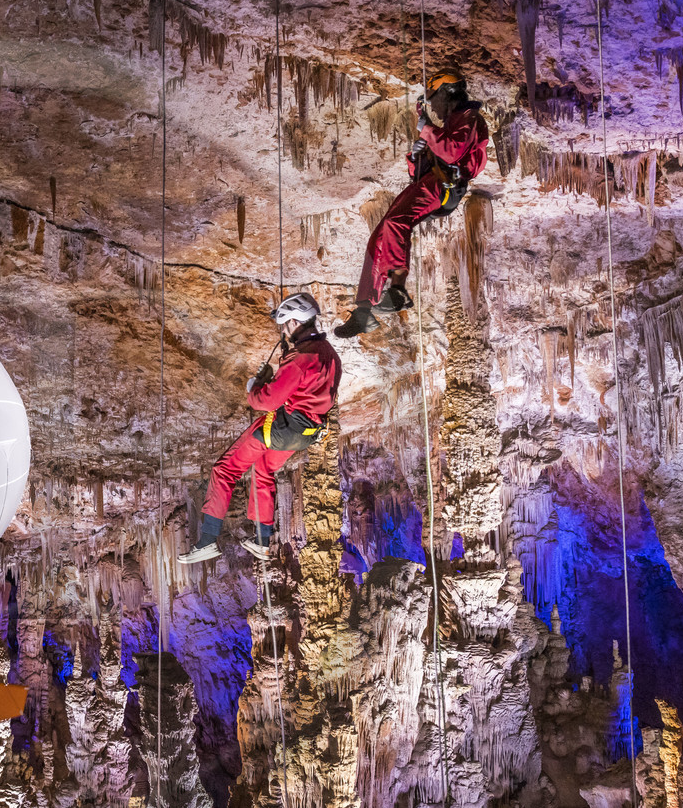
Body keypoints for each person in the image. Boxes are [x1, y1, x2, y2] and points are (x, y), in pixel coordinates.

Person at [178, 292, 340, 565]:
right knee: (264, 468)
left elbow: (267, 401)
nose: (283, 330)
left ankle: (207, 541)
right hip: (306, 434)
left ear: (293, 322)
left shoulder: (300, 357)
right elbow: (311, 388)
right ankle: (263, 541)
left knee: (225, 469)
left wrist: (253, 389)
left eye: (284, 324)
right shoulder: (329, 354)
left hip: (283, 428)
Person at [336, 70, 490, 339]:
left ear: (447, 93)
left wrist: (427, 130)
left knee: (397, 221)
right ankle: (364, 309)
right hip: (432, 181)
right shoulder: (452, 123)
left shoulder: (470, 118)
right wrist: (417, 156)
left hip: (445, 186)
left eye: (434, 100)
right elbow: (425, 167)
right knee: (381, 234)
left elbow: (452, 152)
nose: (434, 108)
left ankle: (397, 288)